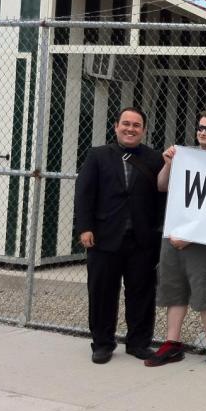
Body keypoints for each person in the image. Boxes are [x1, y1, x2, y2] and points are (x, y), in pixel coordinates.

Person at [74, 107, 164, 364]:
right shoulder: (98, 156)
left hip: (142, 240)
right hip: (104, 237)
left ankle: (138, 343)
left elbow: (162, 198)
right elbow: (84, 193)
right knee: (102, 292)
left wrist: (157, 233)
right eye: (126, 123)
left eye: (136, 125)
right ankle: (102, 343)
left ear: (144, 130)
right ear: (116, 126)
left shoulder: (155, 159)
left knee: (142, 294)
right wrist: (85, 227)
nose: (130, 129)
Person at [146, 110, 206, 370]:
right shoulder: (183, 157)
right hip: (173, 234)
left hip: (203, 241)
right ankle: (172, 342)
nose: (203, 132)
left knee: (205, 292)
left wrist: (192, 235)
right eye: (201, 127)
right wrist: (169, 164)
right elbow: (161, 186)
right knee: (174, 289)